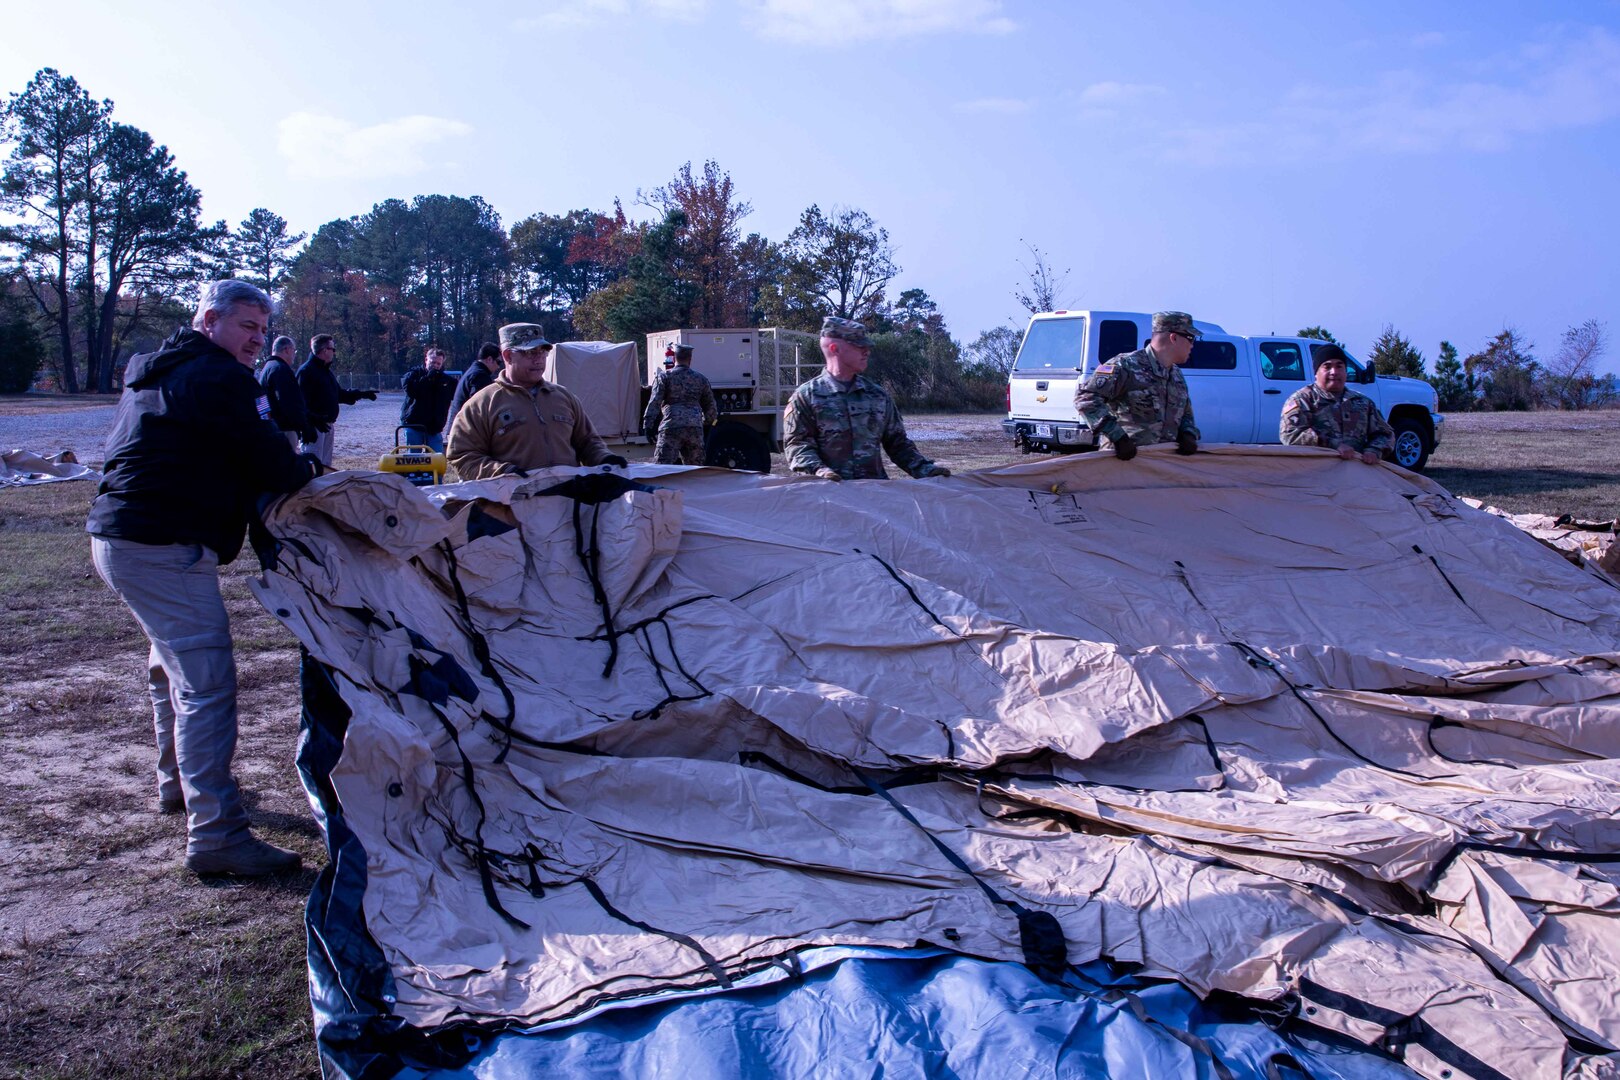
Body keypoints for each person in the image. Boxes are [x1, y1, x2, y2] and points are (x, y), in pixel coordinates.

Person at [85, 280, 325, 877]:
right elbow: (270, 460)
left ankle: (178, 787)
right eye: (248, 327)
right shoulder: (216, 377)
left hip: (122, 539)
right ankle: (216, 834)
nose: (257, 341)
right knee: (206, 685)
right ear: (211, 320)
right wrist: (307, 466)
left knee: (169, 669)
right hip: (161, 544)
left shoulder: (160, 368)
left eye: (264, 331)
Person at [447, 323, 628, 480]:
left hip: (568, 506)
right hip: (510, 510)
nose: (539, 359)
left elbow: (588, 442)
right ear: (508, 356)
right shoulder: (481, 405)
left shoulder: (564, 397)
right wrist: (502, 473)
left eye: (542, 352)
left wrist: (604, 458)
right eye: (530, 353)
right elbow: (462, 456)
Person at [782, 316, 950, 481]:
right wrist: (820, 472)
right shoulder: (806, 397)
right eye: (859, 346)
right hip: (829, 498)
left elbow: (898, 445)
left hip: (874, 496)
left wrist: (926, 470)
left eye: (867, 347)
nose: (866, 352)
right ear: (835, 349)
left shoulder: (877, 396)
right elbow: (797, 446)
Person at [1074, 311, 1202, 460]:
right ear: (1173, 337)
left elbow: (1185, 411)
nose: (1193, 345)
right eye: (1190, 338)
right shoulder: (1126, 366)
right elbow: (1086, 398)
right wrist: (1118, 437)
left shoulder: (1176, 375)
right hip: (1123, 462)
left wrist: (1188, 433)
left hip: (1162, 465)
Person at [1280, 344, 1394, 464]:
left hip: (1355, 475)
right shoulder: (1302, 400)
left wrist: (1374, 450)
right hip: (1314, 474)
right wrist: (1333, 445)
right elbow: (1290, 435)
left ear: (1345, 371)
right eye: (1327, 367)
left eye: (1339, 366)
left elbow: (1385, 434)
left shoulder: (1363, 403)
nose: (1334, 372)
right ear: (1316, 373)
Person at [297, 334, 376, 465]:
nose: (334, 352)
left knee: (325, 468)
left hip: (326, 426)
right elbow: (300, 404)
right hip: (314, 429)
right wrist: (311, 422)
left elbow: (338, 395)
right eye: (332, 349)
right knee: (312, 467)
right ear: (324, 350)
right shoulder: (306, 371)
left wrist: (362, 394)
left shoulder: (326, 372)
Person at [643, 342, 718, 465]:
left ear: (675, 357)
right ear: (690, 359)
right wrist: (707, 424)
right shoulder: (701, 379)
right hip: (694, 428)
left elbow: (655, 401)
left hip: (671, 426)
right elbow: (711, 408)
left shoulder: (664, 377)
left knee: (662, 470)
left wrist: (648, 425)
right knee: (694, 471)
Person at [257, 335, 315, 449]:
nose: (294, 354)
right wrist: (304, 426)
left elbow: (261, 403)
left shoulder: (266, 369)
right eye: (294, 350)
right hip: (285, 430)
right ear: (287, 349)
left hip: (272, 428)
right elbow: (290, 402)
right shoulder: (281, 369)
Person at [400, 344, 459, 453]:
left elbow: (459, 397)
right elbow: (412, 391)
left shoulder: (447, 381)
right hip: (414, 424)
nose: (435, 366)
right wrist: (428, 378)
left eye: (438, 363)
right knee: (414, 458)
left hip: (434, 428)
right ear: (426, 359)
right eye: (433, 362)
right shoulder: (413, 375)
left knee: (436, 458)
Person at [447, 342, 501, 429]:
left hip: (459, 426)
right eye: (498, 362)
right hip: (465, 430)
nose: (498, 367)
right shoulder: (480, 375)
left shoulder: (473, 371)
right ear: (489, 359)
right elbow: (480, 407)